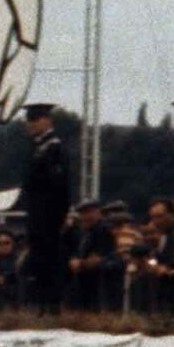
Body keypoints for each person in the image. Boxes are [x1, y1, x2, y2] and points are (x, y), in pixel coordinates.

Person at [21, 103, 70, 314]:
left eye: (35, 119)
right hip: (37, 215)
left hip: (48, 216)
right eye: (29, 120)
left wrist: (57, 217)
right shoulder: (37, 147)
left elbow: (58, 187)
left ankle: (51, 305)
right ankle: (41, 305)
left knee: (50, 261)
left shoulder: (53, 148)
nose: (30, 125)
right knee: (39, 262)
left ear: (46, 120)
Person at [67, 199, 116, 311]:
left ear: (97, 212)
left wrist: (82, 263)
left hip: (99, 281)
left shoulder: (103, 230)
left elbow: (103, 256)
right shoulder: (84, 232)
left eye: (88, 213)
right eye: (82, 213)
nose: (85, 217)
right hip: (83, 281)